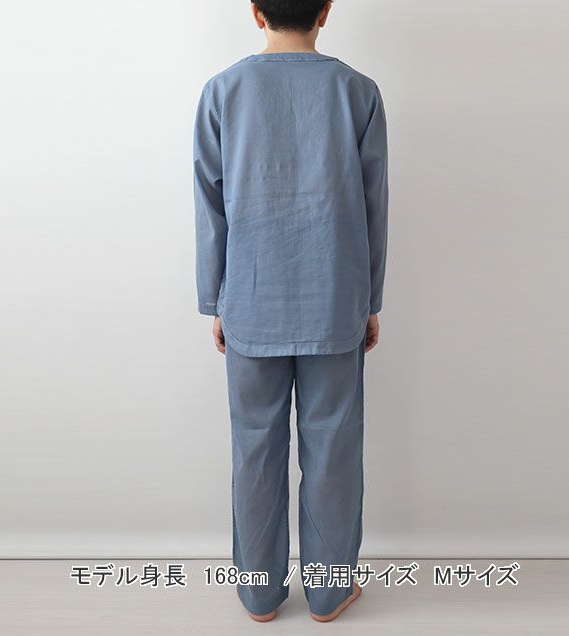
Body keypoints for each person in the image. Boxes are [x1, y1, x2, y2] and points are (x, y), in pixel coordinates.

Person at [193, 0, 388, 623]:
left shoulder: (222, 92)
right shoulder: (358, 92)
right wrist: (370, 300)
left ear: (256, 12)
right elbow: (374, 206)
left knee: (254, 450)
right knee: (333, 449)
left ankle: (258, 594)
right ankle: (329, 593)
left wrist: (215, 299)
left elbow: (210, 204)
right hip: (335, 299)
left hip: (250, 299)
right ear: (326, 10)